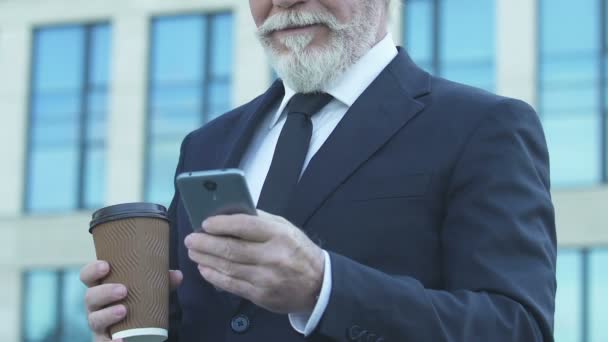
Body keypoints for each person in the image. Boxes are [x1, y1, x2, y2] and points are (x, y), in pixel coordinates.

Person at [80, 0, 557, 341]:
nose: (284, 3)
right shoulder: (206, 145)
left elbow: (516, 327)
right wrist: (134, 324)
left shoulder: (482, 125)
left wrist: (323, 287)